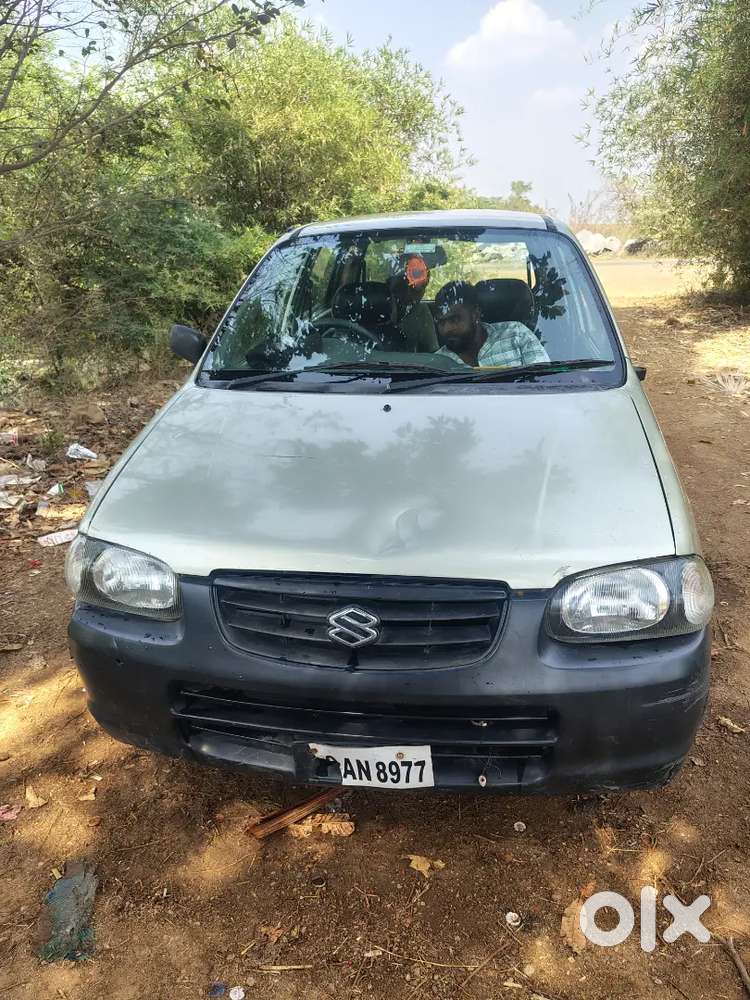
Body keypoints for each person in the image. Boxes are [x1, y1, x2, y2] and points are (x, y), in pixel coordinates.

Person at [434, 280, 549, 368]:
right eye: (441, 322)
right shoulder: (436, 363)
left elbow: (542, 381)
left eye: (454, 320)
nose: (446, 329)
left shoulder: (516, 334)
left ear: (475, 315)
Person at [388, 253, 438, 352]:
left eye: (416, 288)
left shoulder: (419, 312)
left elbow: (433, 353)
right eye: (401, 287)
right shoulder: (372, 309)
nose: (408, 294)